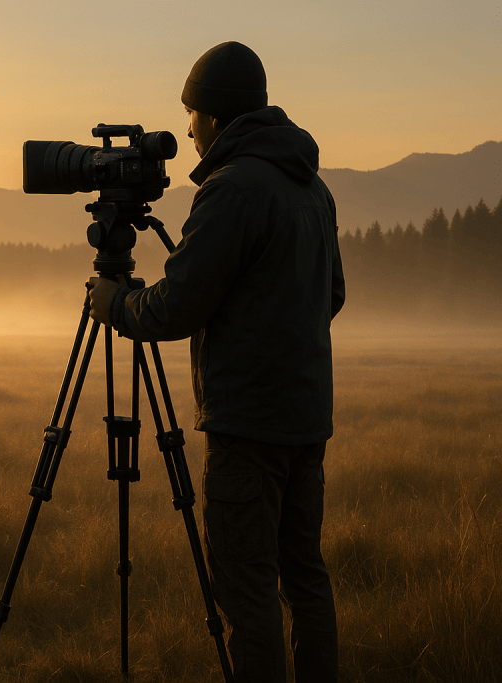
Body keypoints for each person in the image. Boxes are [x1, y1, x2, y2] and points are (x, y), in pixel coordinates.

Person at [87, 41, 345, 683]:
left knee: (247, 591)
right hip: (305, 420)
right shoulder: (312, 187)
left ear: (216, 114)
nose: (188, 131)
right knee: (305, 579)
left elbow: (174, 309)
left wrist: (115, 304)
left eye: (191, 114)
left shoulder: (232, 190)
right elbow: (332, 295)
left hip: (247, 428)